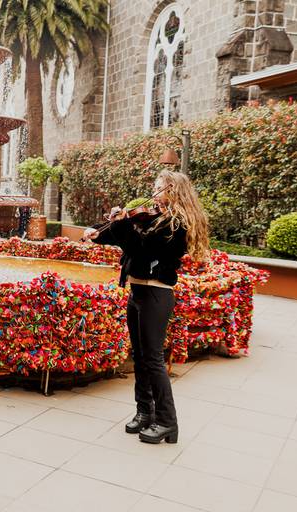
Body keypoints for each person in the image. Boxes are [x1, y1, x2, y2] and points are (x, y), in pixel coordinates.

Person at [83, 170, 210, 444]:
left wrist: (121, 224)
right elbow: (127, 241)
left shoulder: (176, 225)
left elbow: (142, 248)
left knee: (153, 359)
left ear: (173, 191)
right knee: (140, 356)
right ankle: (145, 412)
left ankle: (167, 422)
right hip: (138, 290)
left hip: (156, 294)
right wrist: (99, 232)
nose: (154, 190)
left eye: (159, 186)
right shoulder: (155, 218)